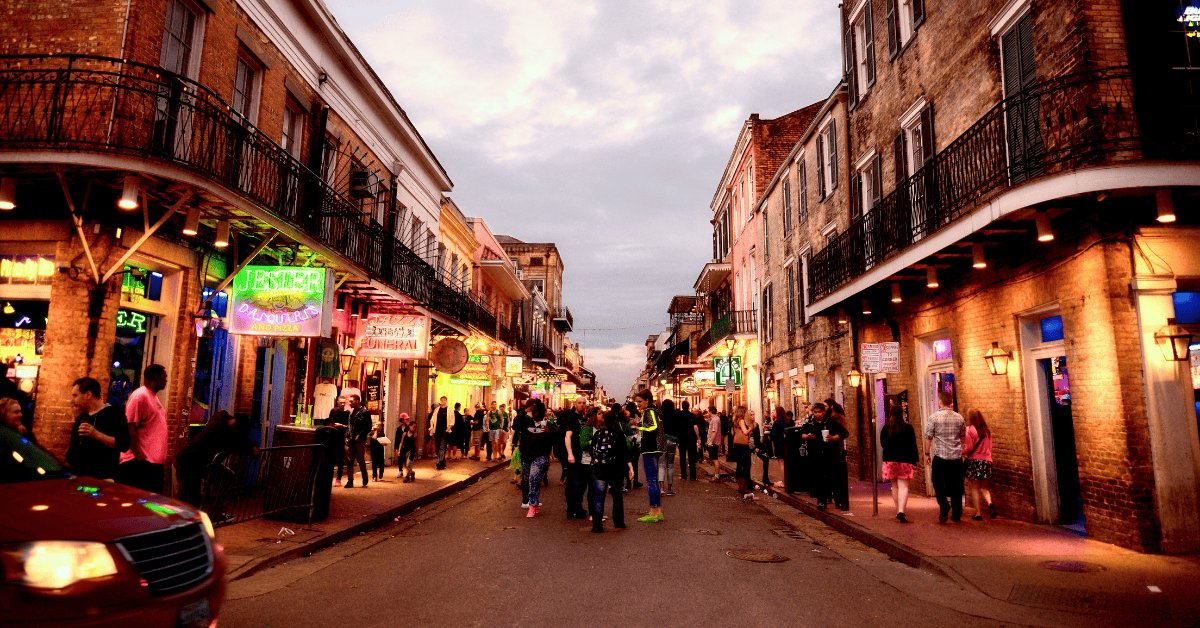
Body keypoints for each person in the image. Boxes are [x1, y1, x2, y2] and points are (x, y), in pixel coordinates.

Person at [174, 411, 258, 507]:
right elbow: (229, 444)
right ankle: (180, 518)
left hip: (201, 463)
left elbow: (241, 439)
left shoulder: (228, 428)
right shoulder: (216, 427)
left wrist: (252, 446)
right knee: (187, 498)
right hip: (187, 462)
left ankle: (214, 510)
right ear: (235, 424)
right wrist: (250, 450)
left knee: (227, 477)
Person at [117, 364, 169, 494]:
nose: (167, 380)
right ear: (156, 378)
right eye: (165, 377)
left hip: (151, 465)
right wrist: (140, 457)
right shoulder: (140, 396)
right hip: (140, 465)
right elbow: (130, 427)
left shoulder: (153, 397)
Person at [65, 377, 129, 480]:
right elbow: (72, 452)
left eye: (75, 396)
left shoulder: (114, 415)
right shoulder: (81, 418)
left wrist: (96, 434)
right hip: (79, 479)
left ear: (88, 395)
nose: (72, 400)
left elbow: (123, 444)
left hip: (103, 480)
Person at [924, 391, 967, 523]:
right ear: (951, 402)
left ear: (940, 402)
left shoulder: (934, 417)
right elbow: (963, 437)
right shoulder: (959, 417)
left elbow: (928, 438)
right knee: (956, 485)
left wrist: (927, 454)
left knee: (937, 482)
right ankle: (957, 514)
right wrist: (958, 448)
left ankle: (943, 503)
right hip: (956, 457)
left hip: (940, 457)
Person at [590, 409, 634, 533]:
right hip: (615, 469)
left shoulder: (598, 434)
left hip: (599, 469)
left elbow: (591, 450)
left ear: (604, 421)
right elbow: (624, 452)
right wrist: (630, 467)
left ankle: (597, 525)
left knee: (599, 497)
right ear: (615, 421)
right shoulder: (618, 434)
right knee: (617, 497)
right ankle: (619, 522)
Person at [515, 399, 554, 516]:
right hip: (527, 455)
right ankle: (535, 503)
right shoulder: (526, 422)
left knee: (534, 478)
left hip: (541, 456)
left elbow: (556, 439)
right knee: (527, 481)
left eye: (537, 411)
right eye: (533, 411)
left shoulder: (548, 424)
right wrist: (524, 411)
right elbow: (515, 425)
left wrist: (549, 433)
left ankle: (531, 506)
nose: (535, 413)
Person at [880, 405, 918, 523]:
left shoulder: (886, 428)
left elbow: (883, 443)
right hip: (905, 460)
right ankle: (901, 511)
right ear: (902, 414)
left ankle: (897, 510)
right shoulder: (908, 428)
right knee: (904, 486)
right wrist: (914, 460)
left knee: (895, 486)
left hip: (890, 460)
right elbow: (913, 445)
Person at [635, 389, 666, 522]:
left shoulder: (649, 411)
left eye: (640, 402)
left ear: (647, 400)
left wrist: (638, 425)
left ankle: (654, 512)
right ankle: (656, 512)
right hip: (655, 448)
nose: (638, 404)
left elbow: (653, 427)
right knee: (654, 480)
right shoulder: (654, 410)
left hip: (650, 448)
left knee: (652, 481)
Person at [963, 408, 996, 520]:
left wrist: (961, 452)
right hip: (987, 461)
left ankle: (978, 513)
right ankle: (990, 504)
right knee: (984, 487)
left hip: (975, 461)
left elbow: (969, 447)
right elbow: (990, 448)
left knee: (975, 488)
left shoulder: (969, 430)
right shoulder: (987, 431)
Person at [561, 396, 589, 519]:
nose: (582, 405)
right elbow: (568, 436)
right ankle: (572, 509)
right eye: (579, 403)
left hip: (583, 456)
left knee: (581, 483)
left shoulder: (583, 418)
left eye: (584, 403)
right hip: (576, 455)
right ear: (575, 404)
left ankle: (577, 507)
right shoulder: (572, 418)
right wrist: (570, 454)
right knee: (574, 483)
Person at [823, 402, 851, 510]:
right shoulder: (824, 418)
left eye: (825, 406)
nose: (824, 408)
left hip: (837, 448)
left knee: (836, 475)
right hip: (825, 448)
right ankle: (828, 496)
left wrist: (834, 437)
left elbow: (845, 433)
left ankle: (838, 499)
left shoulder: (840, 418)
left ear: (831, 406)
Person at [344, 394, 371, 488]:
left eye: (351, 401)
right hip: (350, 440)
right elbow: (349, 427)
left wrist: (360, 436)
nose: (349, 403)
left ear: (358, 401)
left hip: (359, 441)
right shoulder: (351, 413)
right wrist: (346, 438)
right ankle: (350, 481)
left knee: (360, 459)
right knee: (349, 461)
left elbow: (368, 427)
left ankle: (365, 477)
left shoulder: (365, 412)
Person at [729, 406, 753, 500]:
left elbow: (732, 433)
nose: (745, 412)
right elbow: (745, 432)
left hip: (736, 444)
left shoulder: (735, 421)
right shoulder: (741, 421)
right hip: (743, 445)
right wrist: (751, 428)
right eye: (743, 411)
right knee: (745, 465)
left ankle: (740, 484)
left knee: (739, 464)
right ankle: (743, 487)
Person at [328, 396, 349, 485]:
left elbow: (349, 426)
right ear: (338, 402)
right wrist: (332, 426)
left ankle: (338, 478)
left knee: (341, 458)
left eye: (344, 402)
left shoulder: (348, 413)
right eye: (341, 402)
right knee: (331, 457)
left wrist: (341, 425)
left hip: (342, 437)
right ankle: (328, 476)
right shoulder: (334, 411)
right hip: (333, 436)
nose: (343, 404)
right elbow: (329, 422)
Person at [428, 396, 452, 470]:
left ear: (446, 401)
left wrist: (448, 429)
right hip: (437, 430)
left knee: (442, 447)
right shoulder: (437, 410)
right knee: (438, 447)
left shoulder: (450, 410)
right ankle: (443, 463)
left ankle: (438, 462)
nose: (443, 401)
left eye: (444, 400)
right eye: (442, 400)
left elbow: (452, 421)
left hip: (445, 431)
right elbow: (432, 419)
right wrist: (431, 426)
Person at [660, 399, 677, 497]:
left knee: (661, 465)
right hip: (672, 441)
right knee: (670, 465)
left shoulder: (660, 416)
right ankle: (669, 489)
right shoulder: (675, 416)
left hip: (662, 441)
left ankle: (661, 488)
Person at [395, 412, 416, 482]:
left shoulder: (409, 428)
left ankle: (409, 473)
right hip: (401, 446)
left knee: (407, 461)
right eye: (406, 419)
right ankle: (401, 471)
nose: (407, 420)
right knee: (400, 459)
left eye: (407, 419)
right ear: (402, 420)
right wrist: (396, 447)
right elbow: (397, 438)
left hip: (408, 447)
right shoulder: (399, 428)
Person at [706, 405, 723, 482]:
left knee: (714, 458)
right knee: (713, 458)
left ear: (710, 411)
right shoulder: (715, 419)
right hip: (714, 441)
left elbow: (714, 431)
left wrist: (711, 442)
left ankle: (717, 476)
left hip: (714, 442)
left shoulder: (715, 419)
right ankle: (716, 474)